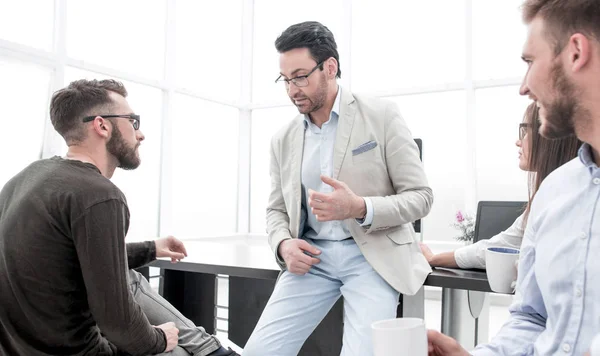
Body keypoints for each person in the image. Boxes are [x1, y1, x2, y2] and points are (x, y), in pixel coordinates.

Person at [0, 79, 237, 356]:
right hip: (76, 352)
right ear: (102, 125)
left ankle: (211, 350)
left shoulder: (28, 177)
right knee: (177, 351)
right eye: (133, 121)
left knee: (125, 274)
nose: (140, 134)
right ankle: (212, 350)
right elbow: (118, 324)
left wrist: (151, 248)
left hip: (18, 347)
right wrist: (161, 339)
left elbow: (77, 258)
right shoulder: (99, 195)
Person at [243, 21, 433, 356]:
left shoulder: (382, 115)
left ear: (330, 67)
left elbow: (421, 197)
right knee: (260, 351)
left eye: (301, 76)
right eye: (285, 80)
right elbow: (276, 209)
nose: (292, 89)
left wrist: (360, 207)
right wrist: (283, 244)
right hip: (312, 259)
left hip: (371, 257)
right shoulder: (282, 139)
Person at [427, 0, 600, 354]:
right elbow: (532, 318)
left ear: (576, 53)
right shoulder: (555, 191)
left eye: (530, 62)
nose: (524, 86)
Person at [420, 103, 580, 269]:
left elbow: (495, 249)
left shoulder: (567, 199)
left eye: (526, 131)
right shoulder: (546, 197)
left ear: (548, 136)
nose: (518, 141)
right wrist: (434, 258)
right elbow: (494, 248)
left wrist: (434, 259)